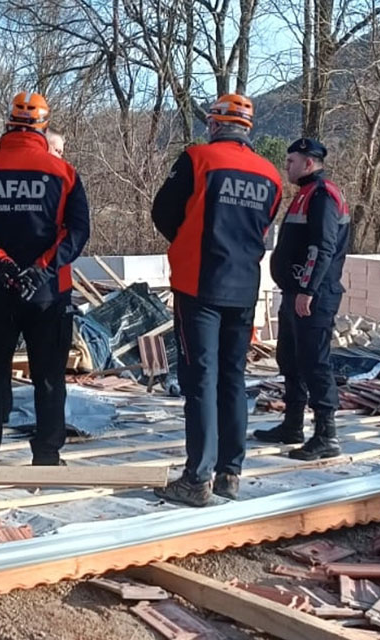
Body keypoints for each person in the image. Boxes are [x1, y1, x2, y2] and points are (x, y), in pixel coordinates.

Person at [149, 94, 283, 506]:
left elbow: (162, 212)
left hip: (199, 285)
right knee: (232, 378)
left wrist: (189, 240)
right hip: (243, 287)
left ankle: (197, 478)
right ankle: (230, 473)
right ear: (247, 129)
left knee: (200, 380)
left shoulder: (197, 160)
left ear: (214, 125)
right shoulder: (271, 176)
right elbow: (262, 225)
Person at [0, 92, 91, 466]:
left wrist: (1, 264)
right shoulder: (65, 174)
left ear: (8, 124)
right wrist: (41, 269)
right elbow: (77, 233)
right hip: (48, 293)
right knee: (48, 377)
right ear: (44, 128)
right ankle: (47, 455)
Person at [252, 138, 352, 461]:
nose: (287, 167)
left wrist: (308, 289)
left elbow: (322, 248)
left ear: (309, 163)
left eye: (291, 161)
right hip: (295, 292)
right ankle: (292, 424)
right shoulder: (305, 195)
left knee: (314, 362)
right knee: (290, 359)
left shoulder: (323, 196)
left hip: (314, 296)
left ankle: (326, 434)